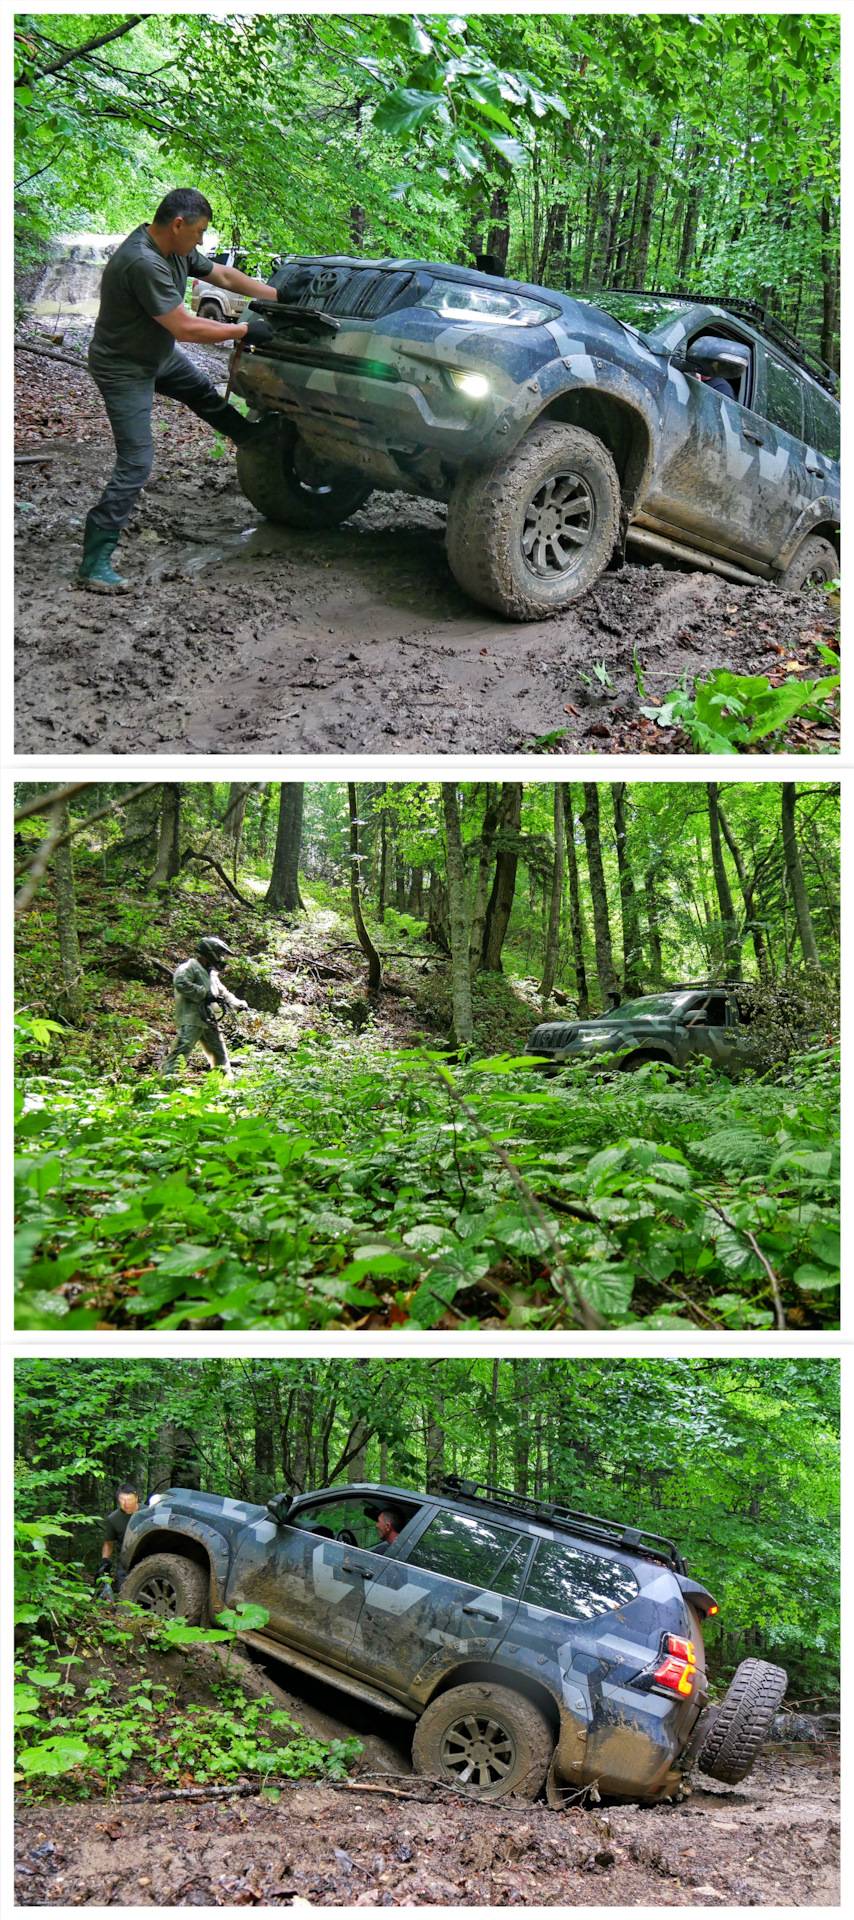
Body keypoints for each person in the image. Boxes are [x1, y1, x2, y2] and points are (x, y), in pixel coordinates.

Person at [78, 187, 282, 592]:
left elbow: (222, 275)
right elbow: (185, 327)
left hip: (156, 355)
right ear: (177, 224)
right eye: (200, 231)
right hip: (123, 367)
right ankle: (94, 561)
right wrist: (243, 330)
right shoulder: (143, 261)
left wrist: (278, 294)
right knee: (136, 461)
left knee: (203, 393)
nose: (202, 240)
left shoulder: (175, 249)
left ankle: (251, 438)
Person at [162, 935, 248, 1082]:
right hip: (191, 1019)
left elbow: (223, 993)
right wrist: (204, 993)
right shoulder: (189, 967)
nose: (221, 958)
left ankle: (225, 1086)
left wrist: (238, 1004)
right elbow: (181, 983)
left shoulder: (212, 975)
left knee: (219, 1054)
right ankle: (166, 1083)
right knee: (181, 1052)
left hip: (209, 1019)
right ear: (210, 953)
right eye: (219, 955)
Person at [95, 1484, 139, 1594]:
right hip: (125, 1562)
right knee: (124, 1594)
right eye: (122, 1499)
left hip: (147, 1558)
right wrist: (105, 1561)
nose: (126, 1503)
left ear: (136, 1499)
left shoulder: (147, 1512)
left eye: (129, 1500)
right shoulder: (113, 1519)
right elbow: (109, 1543)